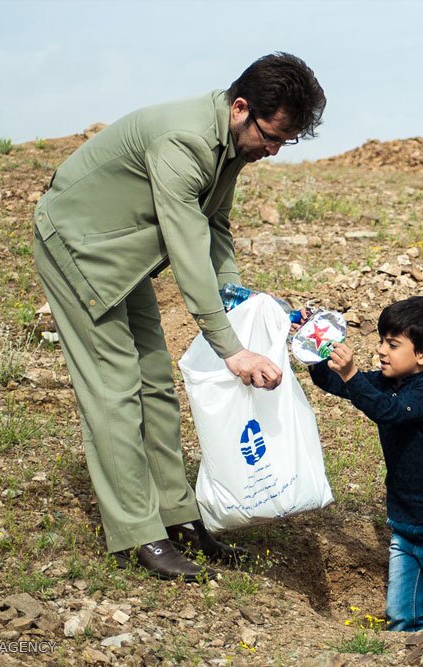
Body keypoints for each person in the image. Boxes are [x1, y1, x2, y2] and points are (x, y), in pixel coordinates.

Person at [32, 53, 326, 581]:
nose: (275, 151)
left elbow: (214, 226)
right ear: (241, 108)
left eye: (288, 142)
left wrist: (244, 301)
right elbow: (188, 248)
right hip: (78, 245)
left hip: (128, 253)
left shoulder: (233, 143)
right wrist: (231, 349)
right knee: (115, 390)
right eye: (273, 136)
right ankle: (137, 534)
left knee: (156, 389)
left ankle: (178, 518)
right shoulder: (183, 141)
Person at [308, 296, 423, 631]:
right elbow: (330, 382)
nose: (382, 350)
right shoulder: (387, 382)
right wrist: (315, 345)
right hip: (404, 525)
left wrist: (353, 374)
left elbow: (388, 411)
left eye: (393, 344)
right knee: (401, 617)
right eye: (382, 341)